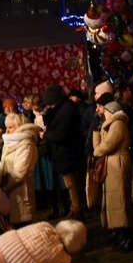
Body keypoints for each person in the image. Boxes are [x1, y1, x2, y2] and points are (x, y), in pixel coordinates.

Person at [92, 97, 133, 252]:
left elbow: (102, 148)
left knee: (120, 200)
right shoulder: (112, 124)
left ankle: (128, 236)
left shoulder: (118, 125)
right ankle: (120, 233)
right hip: (113, 164)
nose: (102, 113)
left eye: (104, 110)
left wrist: (96, 136)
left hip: (117, 163)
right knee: (114, 200)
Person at [42, 84, 84, 220]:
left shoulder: (67, 110)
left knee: (71, 183)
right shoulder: (61, 108)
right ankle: (74, 208)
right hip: (63, 152)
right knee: (70, 183)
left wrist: (45, 135)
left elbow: (61, 135)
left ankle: (76, 209)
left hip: (68, 152)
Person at [0, 113, 40, 228]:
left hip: (20, 191)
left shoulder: (26, 144)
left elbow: (19, 173)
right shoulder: (10, 143)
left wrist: (3, 188)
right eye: (6, 127)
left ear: (20, 126)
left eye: (11, 127)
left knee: (22, 226)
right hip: (9, 192)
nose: (7, 130)